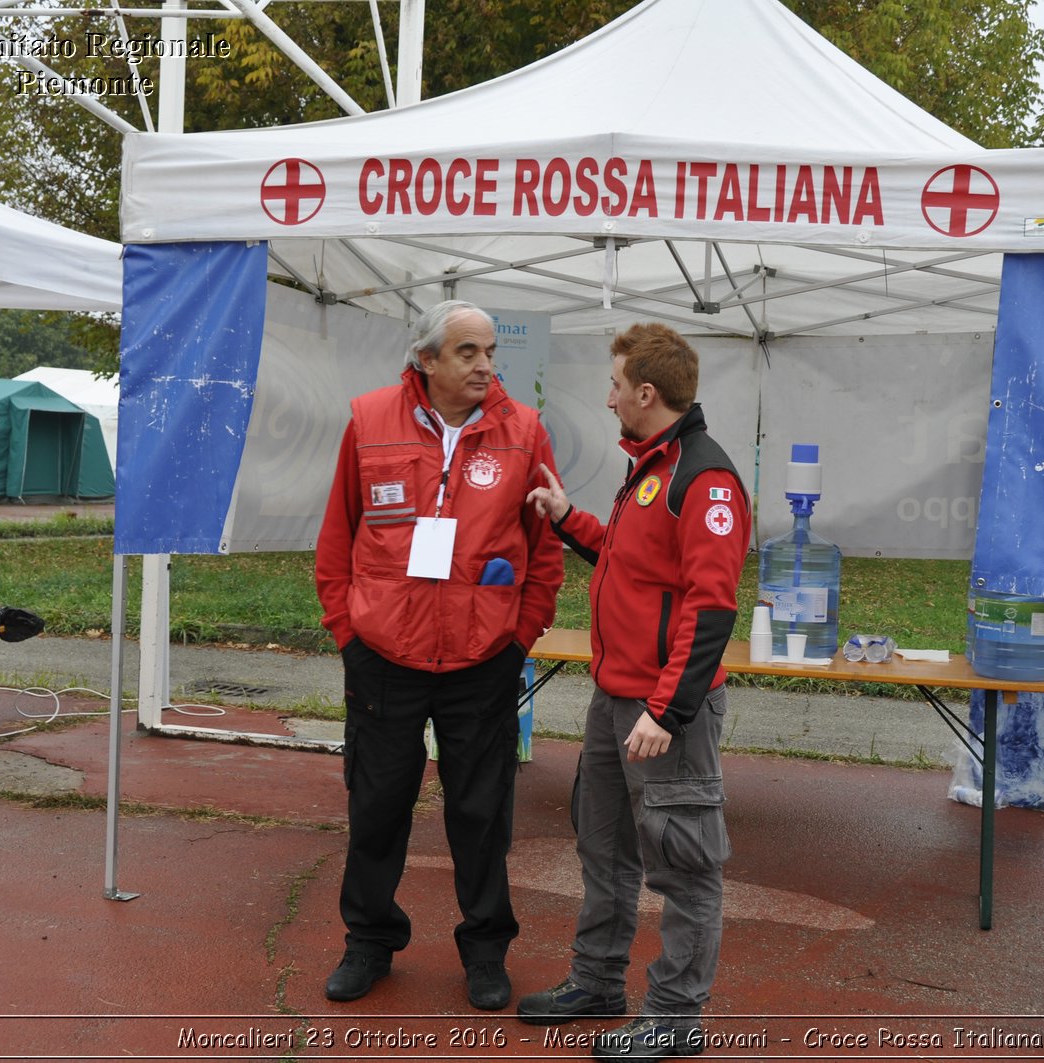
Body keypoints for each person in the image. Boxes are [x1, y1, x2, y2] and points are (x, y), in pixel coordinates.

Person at [314, 300, 565, 1011]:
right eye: (467, 352)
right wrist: (348, 633)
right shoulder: (368, 420)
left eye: (489, 351)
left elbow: (545, 554)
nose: (486, 365)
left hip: (482, 660)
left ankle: (485, 950)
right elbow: (338, 538)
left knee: (482, 816)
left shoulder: (524, 430)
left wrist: (521, 637)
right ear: (426, 359)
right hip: (383, 658)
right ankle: (369, 940)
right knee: (378, 806)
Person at [519, 323, 750, 1060]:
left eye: (616, 384)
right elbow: (630, 564)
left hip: (661, 711)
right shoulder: (652, 464)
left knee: (684, 868)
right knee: (606, 849)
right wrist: (566, 519)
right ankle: (597, 982)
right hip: (616, 699)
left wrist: (667, 709)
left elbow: (711, 608)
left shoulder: (703, 478)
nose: (607, 395)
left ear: (646, 393)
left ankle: (676, 1019)